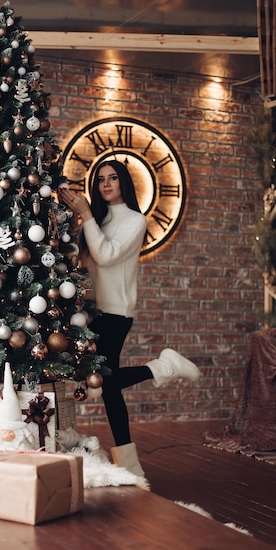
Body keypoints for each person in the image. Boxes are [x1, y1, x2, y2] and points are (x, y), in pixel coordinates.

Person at [59, 160, 201, 481]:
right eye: (101, 180)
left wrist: (86, 215)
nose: (106, 184)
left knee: (106, 382)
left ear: (124, 182)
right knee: (106, 388)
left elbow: (106, 255)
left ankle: (161, 368)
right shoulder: (95, 220)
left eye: (113, 178)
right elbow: (83, 261)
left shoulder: (135, 221)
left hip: (116, 311)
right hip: (90, 312)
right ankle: (128, 464)